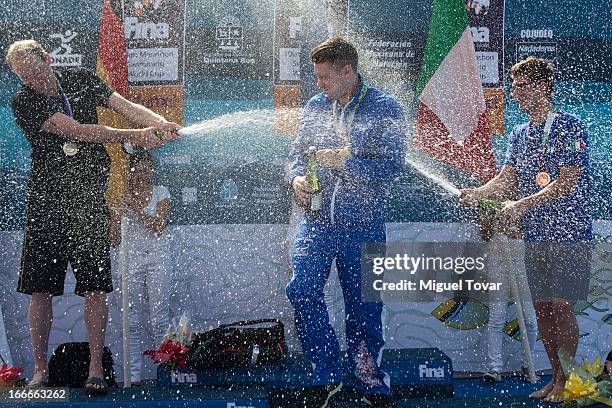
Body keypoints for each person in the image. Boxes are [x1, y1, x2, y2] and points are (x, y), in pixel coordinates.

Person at [6, 39, 181, 394]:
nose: (32, 81)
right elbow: (79, 132)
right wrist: (138, 135)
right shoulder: (22, 100)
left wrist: (161, 123)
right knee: (39, 290)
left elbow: (124, 105)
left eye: (35, 71)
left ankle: (96, 368)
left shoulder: (82, 78)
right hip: (47, 201)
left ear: (48, 59)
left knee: (95, 287)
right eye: (23, 77)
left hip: (88, 195)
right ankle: (40, 371)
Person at [460, 56, 592, 403]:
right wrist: (479, 193)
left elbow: (566, 182)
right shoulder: (520, 133)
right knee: (543, 307)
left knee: (561, 305)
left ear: (540, 87)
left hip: (569, 233)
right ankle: (555, 379)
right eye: (514, 87)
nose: (514, 94)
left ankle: (565, 382)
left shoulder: (571, 126)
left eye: (518, 87)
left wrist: (520, 205)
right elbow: (508, 178)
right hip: (535, 234)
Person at [287, 37, 405, 408]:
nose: (319, 84)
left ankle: (369, 378)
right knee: (302, 289)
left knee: (364, 306)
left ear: (347, 71)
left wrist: (345, 164)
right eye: (316, 76)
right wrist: (296, 181)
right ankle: (327, 373)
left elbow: (394, 167)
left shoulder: (385, 107)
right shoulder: (314, 106)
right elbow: (295, 153)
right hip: (318, 221)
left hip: (364, 224)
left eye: (324, 77)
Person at [109, 152, 171, 385]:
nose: (142, 175)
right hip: (131, 260)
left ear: (152, 171)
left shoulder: (162, 192)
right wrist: (116, 216)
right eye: (137, 170)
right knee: (131, 321)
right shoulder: (122, 196)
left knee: (159, 318)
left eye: (146, 170)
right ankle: (133, 378)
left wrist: (134, 207)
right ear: (130, 172)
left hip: (158, 259)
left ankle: (165, 374)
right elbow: (114, 240)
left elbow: (158, 226)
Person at [478, 213, 539, 383]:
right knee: (497, 318)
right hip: (496, 263)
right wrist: (491, 221)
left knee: (530, 321)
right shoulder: (487, 201)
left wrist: (513, 225)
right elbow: (484, 234)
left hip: (519, 263)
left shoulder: (520, 193)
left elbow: (530, 229)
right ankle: (495, 368)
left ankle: (527, 365)